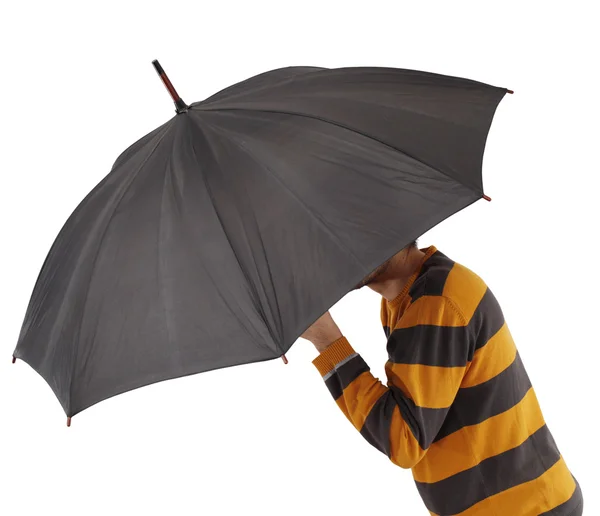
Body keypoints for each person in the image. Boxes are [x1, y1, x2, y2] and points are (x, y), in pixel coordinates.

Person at [302, 242, 583, 516]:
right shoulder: (413, 296)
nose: (335, 248)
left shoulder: (436, 303)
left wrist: (327, 341)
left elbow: (404, 440)